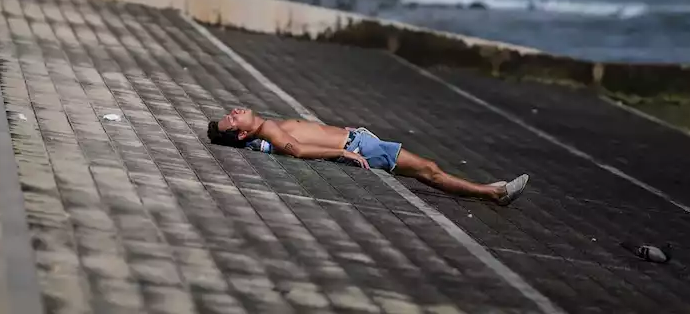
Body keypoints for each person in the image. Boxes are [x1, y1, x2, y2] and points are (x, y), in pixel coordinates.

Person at [207, 108, 530, 206]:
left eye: (230, 114)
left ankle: (491, 190)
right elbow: (299, 150)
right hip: (362, 147)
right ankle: (495, 192)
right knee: (428, 170)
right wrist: (342, 149)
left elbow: (307, 136)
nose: (234, 113)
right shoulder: (270, 132)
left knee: (427, 169)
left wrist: (342, 133)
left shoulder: (266, 127)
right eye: (232, 121)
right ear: (243, 134)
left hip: (359, 139)